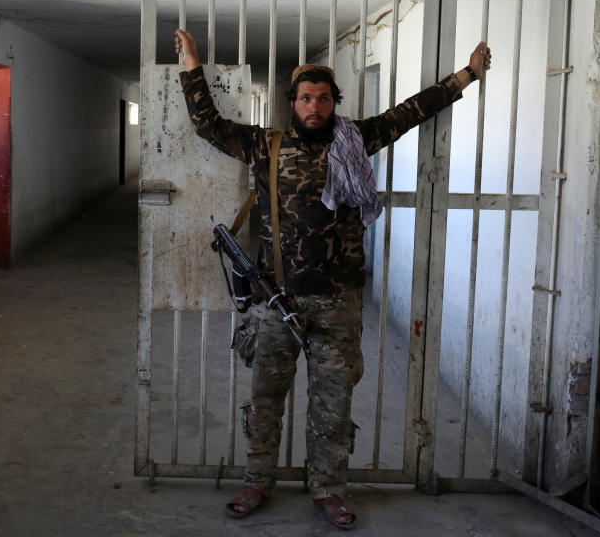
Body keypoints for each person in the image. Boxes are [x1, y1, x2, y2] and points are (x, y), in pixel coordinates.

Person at [174, 28, 491, 529]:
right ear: (292, 103)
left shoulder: (355, 139)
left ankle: (329, 489)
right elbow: (206, 124)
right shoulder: (264, 145)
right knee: (264, 400)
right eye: (305, 98)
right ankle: (258, 480)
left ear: (333, 102)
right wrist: (191, 63)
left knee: (333, 404)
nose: (314, 107)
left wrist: (467, 75)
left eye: (323, 99)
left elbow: (411, 110)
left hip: (337, 301)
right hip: (276, 298)